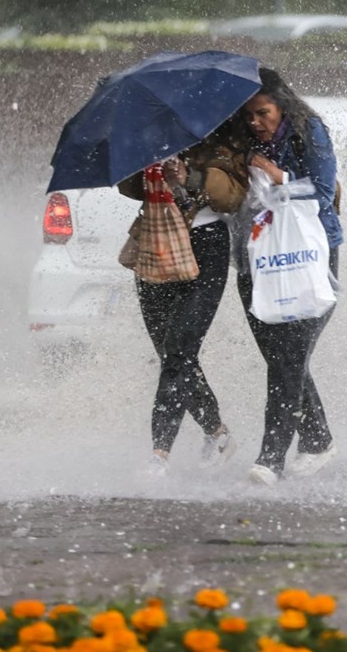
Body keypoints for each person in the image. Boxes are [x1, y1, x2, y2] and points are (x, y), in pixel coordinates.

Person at [230, 67, 343, 487]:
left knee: (289, 357)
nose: (256, 123)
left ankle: (270, 458)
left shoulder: (308, 130)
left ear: (282, 106)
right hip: (255, 259)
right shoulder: (239, 145)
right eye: (248, 117)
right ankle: (317, 441)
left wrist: (280, 178)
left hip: (309, 256)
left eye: (262, 113)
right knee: (281, 359)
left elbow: (323, 187)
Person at [118, 123, 249, 476]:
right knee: (170, 354)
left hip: (207, 247)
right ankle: (219, 433)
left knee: (179, 350)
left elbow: (234, 197)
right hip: (156, 241)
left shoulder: (225, 135)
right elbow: (127, 187)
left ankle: (159, 454)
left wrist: (189, 176)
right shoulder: (151, 135)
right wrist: (144, 162)